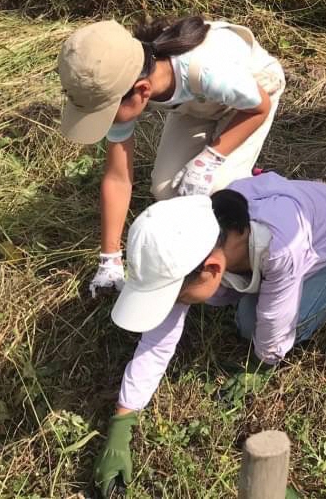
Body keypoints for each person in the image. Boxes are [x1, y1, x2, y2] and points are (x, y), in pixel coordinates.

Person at [92, 173, 326, 496]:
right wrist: (123, 422)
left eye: (173, 295)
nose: (173, 304)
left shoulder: (281, 248)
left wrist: (262, 364)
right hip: (296, 227)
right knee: (233, 305)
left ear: (212, 269)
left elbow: (274, 335)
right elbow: (157, 340)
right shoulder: (196, 238)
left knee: (252, 324)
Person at [57, 17, 285, 297]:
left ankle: (234, 263)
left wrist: (212, 156)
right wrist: (110, 259)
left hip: (254, 94)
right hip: (198, 105)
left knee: (217, 189)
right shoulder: (128, 79)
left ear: (142, 93)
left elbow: (258, 107)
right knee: (166, 190)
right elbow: (118, 177)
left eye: (105, 114)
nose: (106, 123)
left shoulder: (207, 69)